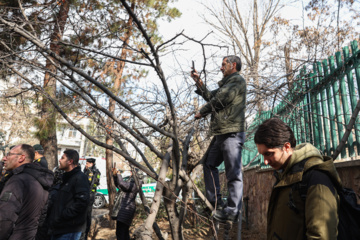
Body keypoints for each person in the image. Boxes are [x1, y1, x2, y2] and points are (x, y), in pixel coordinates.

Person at [254, 118, 340, 240]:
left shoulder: (316, 178)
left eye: (269, 154)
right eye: (262, 155)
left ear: (286, 147)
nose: (265, 161)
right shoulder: (285, 174)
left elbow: (321, 236)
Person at [191, 55, 246, 222]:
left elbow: (221, 99)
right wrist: (198, 81)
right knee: (209, 163)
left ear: (233, 65)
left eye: (223, 65)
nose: (221, 68)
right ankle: (216, 203)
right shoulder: (228, 84)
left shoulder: (237, 81)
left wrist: (203, 111)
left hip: (231, 132)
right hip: (221, 132)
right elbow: (211, 96)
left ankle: (233, 211)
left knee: (233, 172)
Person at [0, 144, 54, 240]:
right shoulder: (40, 180)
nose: (5, 158)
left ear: (21, 158)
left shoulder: (17, 181)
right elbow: (42, 217)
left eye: (9, 154)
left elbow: (5, 218)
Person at [47, 149, 90, 240]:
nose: (59, 160)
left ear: (70, 161)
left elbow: (82, 202)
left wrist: (63, 216)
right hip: (58, 228)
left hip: (69, 230)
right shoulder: (66, 177)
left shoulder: (80, 177)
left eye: (62, 158)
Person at [112, 168, 139, 240]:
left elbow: (122, 184)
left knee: (121, 233)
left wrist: (119, 174)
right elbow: (119, 185)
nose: (130, 173)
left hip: (126, 210)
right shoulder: (131, 181)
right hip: (123, 209)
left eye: (131, 172)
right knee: (123, 233)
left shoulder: (136, 184)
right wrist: (115, 176)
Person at [80, 158, 101, 240]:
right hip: (85, 193)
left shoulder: (95, 172)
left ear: (92, 164)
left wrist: (88, 172)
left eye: (88, 163)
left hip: (90, 195)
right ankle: (82, 233)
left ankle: (85, 234)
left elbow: (92, 183)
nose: (86, 165)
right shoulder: (86, 170)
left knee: (87, 215)